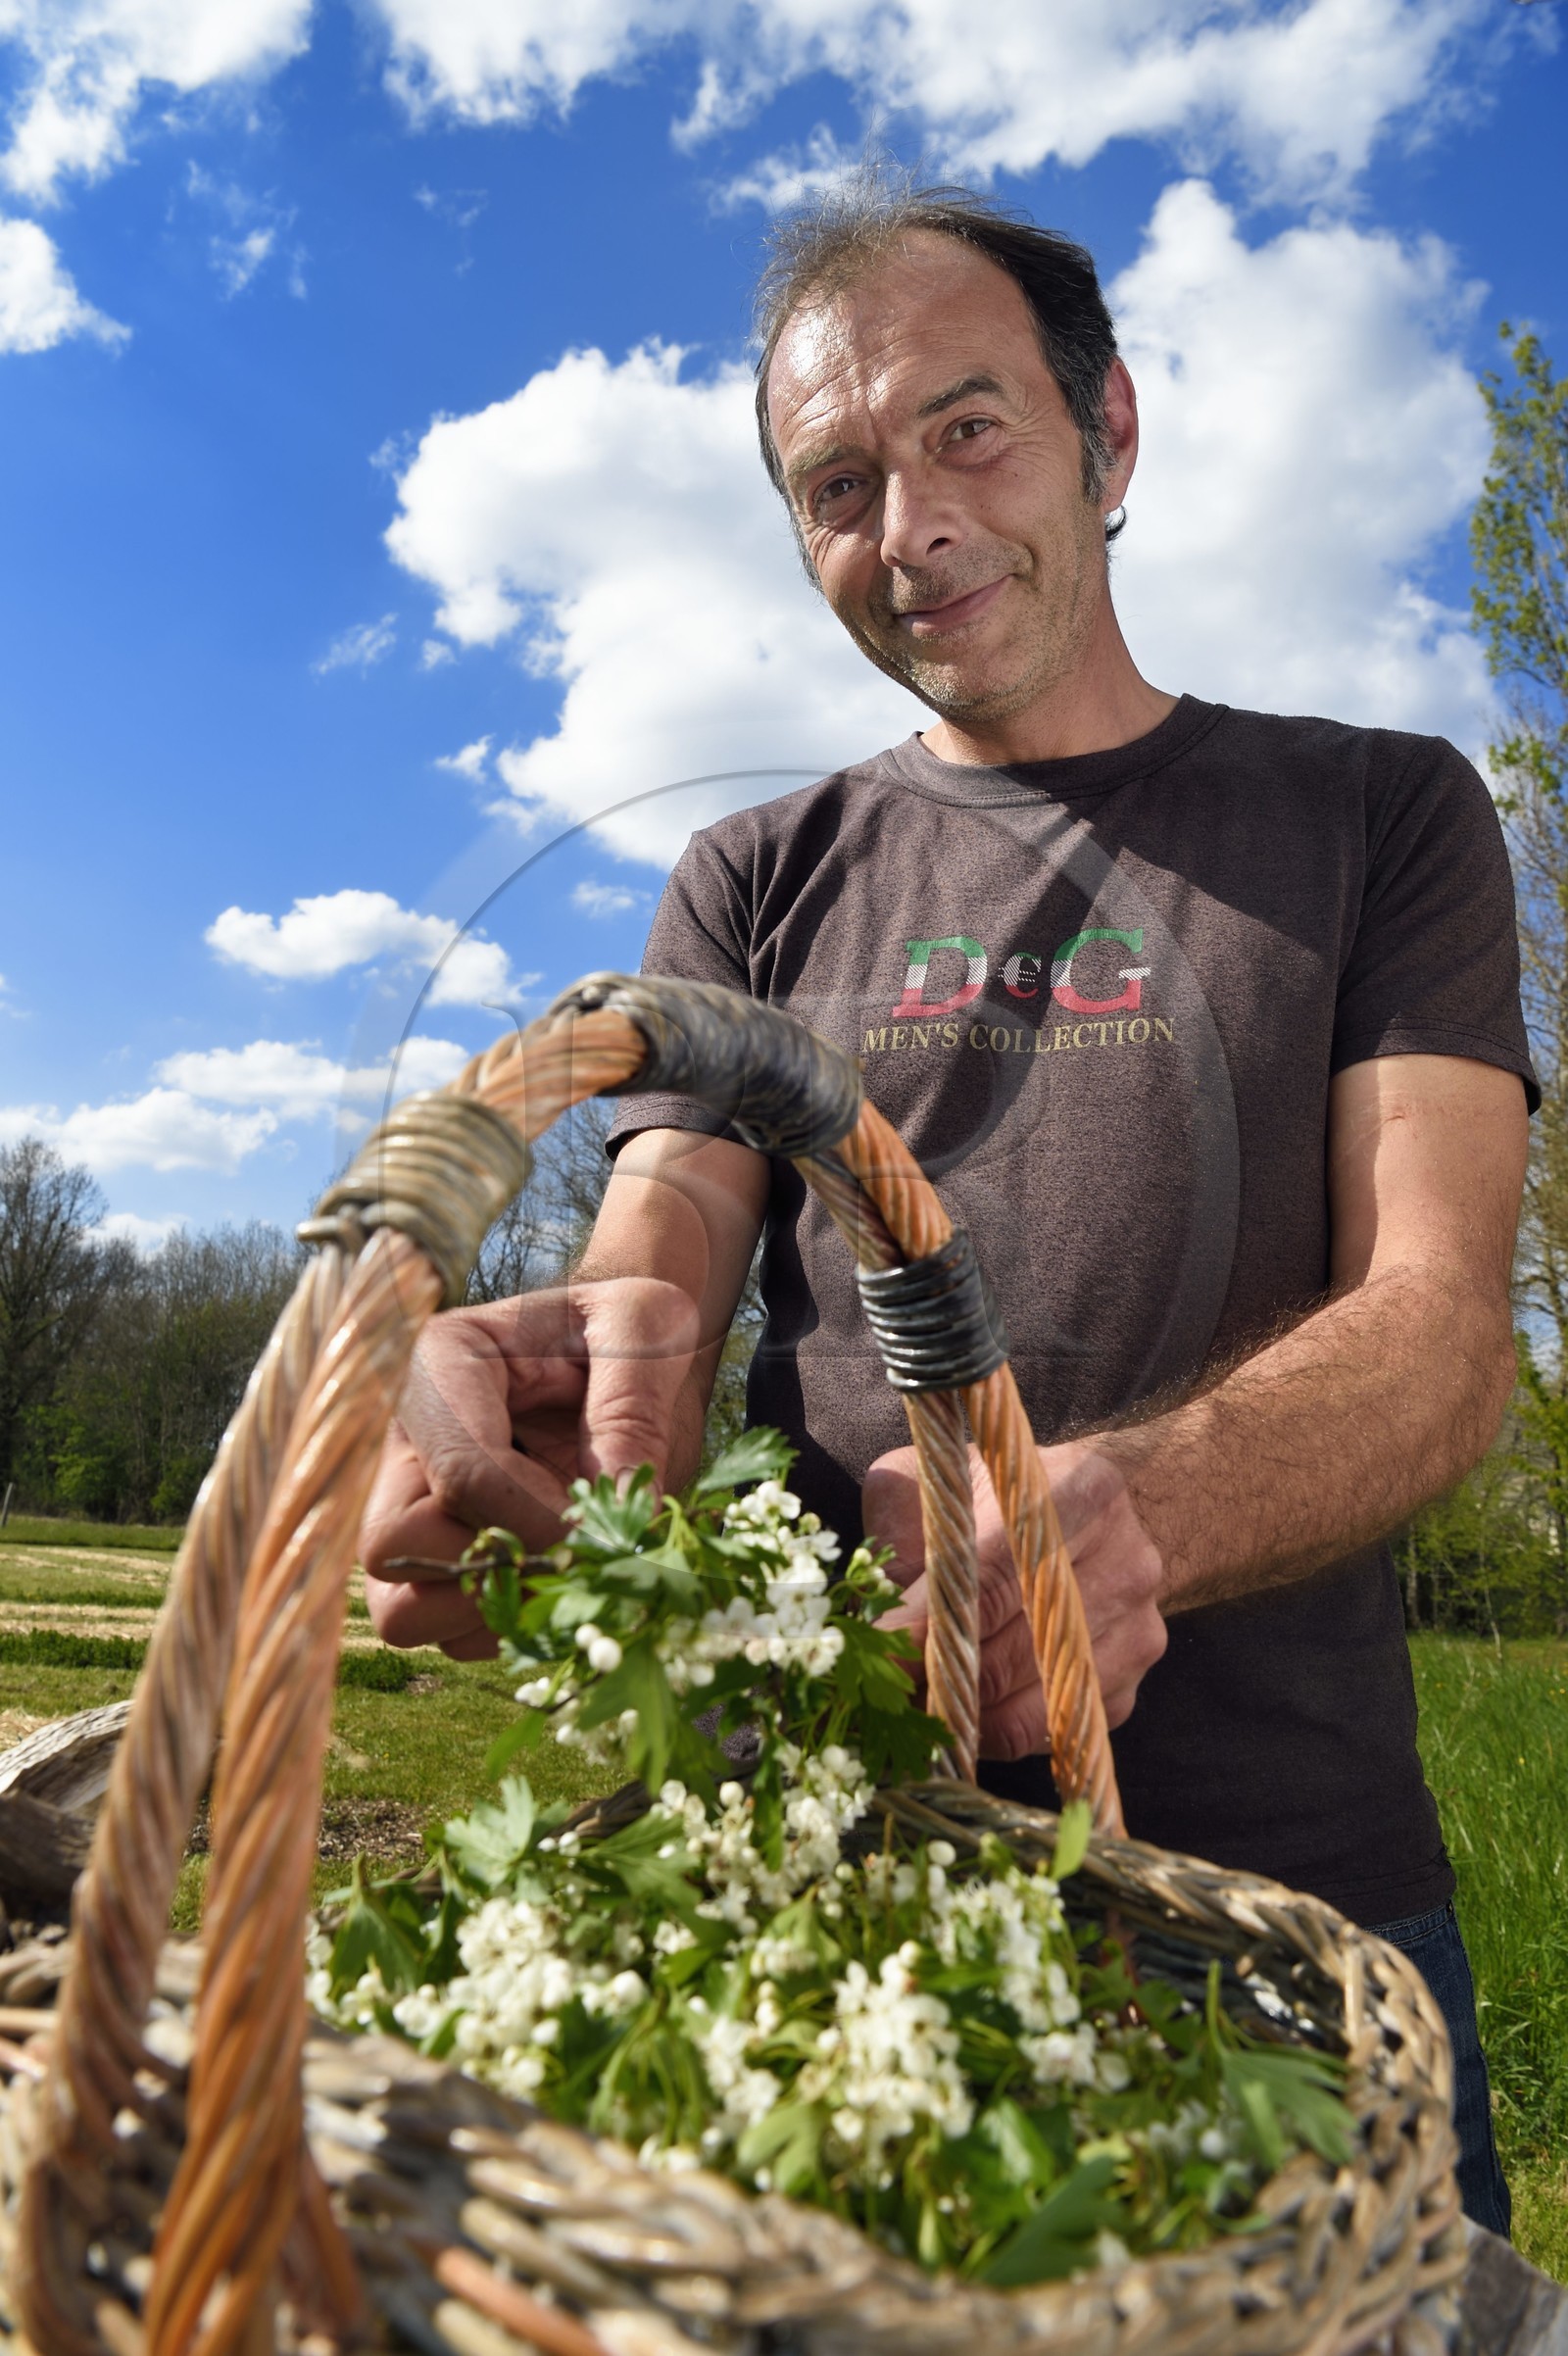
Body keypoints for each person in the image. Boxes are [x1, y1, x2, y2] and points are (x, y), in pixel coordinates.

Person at [361, 182, 1533, 2233]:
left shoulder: (1377, 814)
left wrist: (1137, 1500)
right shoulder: (751, 871)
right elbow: (669, 1224)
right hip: (834, 1891)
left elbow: (1441, 1333)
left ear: (1111, 434)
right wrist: (584, 1373)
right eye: (832, 481)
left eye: (963, 428)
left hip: (1288, 1912)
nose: (901, 524)